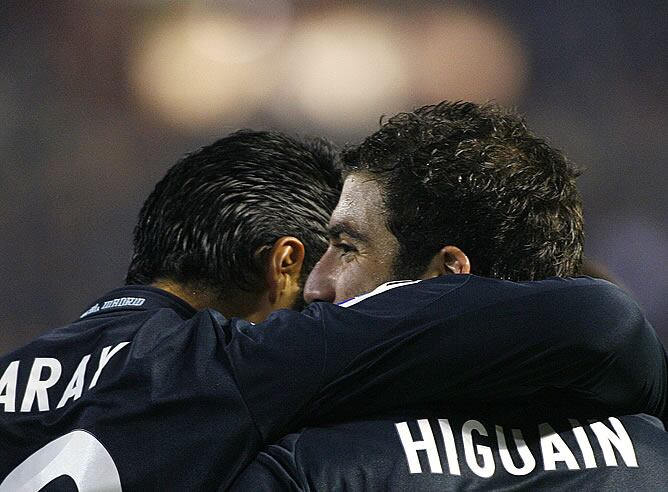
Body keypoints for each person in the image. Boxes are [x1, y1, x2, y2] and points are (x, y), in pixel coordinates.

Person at [0, 130, 663, 490]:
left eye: (345, 249)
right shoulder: (245, 375)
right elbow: (598, 324)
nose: (319, 290)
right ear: (281, 264)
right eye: (329, 246)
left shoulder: (20, 376)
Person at [233, 102, 668, 490]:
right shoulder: (652, 453)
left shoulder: (312, 466)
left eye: (348, 249)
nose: (315, 285)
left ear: (447, 276)